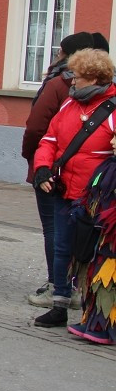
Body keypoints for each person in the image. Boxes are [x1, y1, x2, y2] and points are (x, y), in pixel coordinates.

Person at [32, 49, 116, 329]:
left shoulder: (113, 109)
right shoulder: (69, 105)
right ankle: (59, 304)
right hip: (64, 189)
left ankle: (92, 313)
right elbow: (49, 139)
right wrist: (43, 168)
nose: (71, 82)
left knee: (91, 254)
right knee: (61, 248)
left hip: (97, 199)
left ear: (93, 78)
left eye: (76, 77)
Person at [20, 31, 95, 308]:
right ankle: (71, 288)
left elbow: (37, 128)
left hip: (57, 174)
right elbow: (49, 133)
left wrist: (33, 159)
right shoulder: (78, 94)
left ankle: (59, 285)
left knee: (56, 230)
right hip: (71, 173)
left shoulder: (58, 86)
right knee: (78, 232)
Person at [66, 155, 116, 345]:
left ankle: (105, 326)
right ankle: (93, 320)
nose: (112, 141)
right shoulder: (109, 165)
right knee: (96, 275)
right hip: (101, 232)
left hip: (111, 235)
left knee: (108, 279)